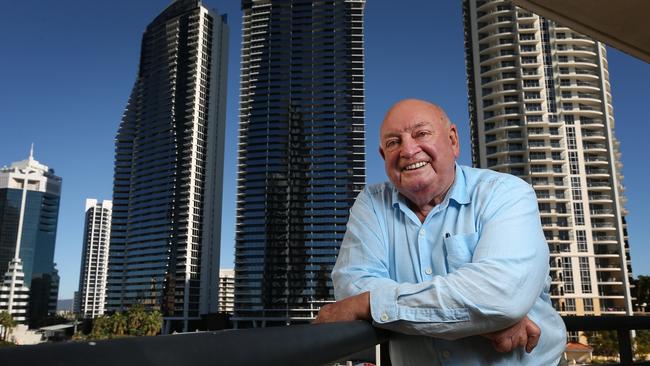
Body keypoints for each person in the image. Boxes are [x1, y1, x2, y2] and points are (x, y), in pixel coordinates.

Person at [315, 99, 566, 365]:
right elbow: (352, 286)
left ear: (453, 140)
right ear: (383, 156)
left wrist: (368, 305)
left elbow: (501, 294)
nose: (408, 150)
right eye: (393, 142)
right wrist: (484, 321)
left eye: (421, 134)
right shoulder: (371, 204)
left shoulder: (506, 193)